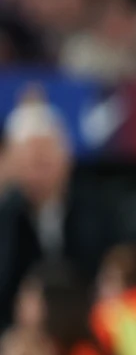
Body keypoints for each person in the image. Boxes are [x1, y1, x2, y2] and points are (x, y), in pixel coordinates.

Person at [0, 97, 114, 334]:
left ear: (66, 158)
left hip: (84, 326)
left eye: (45, 159)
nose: (37, 171)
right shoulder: (7, 216)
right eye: (30, 160)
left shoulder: (99, 209)